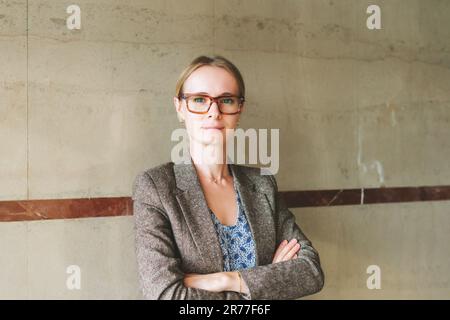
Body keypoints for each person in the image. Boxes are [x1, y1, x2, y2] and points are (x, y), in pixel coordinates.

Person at [132, 55, 324, 299]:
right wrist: (265, 284)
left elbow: (310, 271)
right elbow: (165, 295)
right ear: (180, 107)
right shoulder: (156, 187)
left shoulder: (262, 183)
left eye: (226, 100)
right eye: (199, 100)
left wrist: (226, 280)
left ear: (239, 109)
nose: (214, 112)